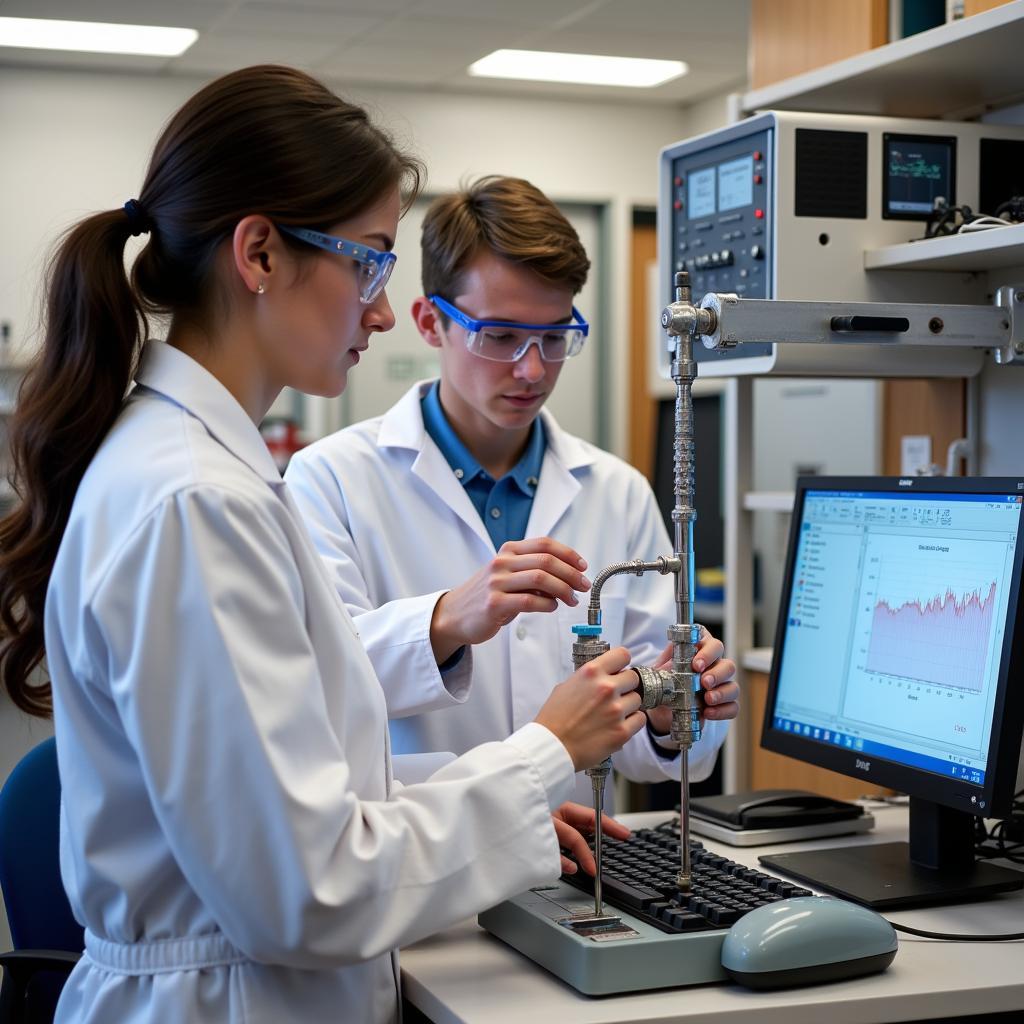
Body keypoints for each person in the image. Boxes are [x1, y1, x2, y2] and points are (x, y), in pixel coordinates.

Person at [0, 68, 650, 1024]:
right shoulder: (195, 503)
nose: (384, 313)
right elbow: (308, 892)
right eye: (371, 264)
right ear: (259, 253)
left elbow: (316, 793)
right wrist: (544, 755)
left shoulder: (206, 471)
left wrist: (504, 797)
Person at [285, 175, 739, 809]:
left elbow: (648, 756)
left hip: (582, 878)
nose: (531, 369)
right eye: (499, 337)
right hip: (414, 876)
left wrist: (671, 707)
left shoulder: (619, 491)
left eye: (554, 338)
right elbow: (313, 688)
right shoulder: (328, 479)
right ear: (429, 323)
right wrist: (446, 619)